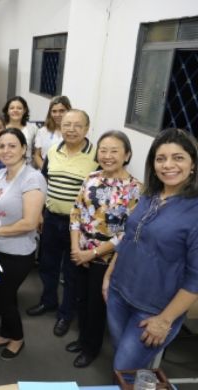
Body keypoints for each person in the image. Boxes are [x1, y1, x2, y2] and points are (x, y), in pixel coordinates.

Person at [104, 128, 198, 370]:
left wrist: (165, 320)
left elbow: (195, 278)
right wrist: (109, 275)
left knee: (123, 368)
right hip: (118, 292)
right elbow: (129, 239)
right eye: (160, 158)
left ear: (193, 164)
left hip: (154, 310)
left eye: (178, 158)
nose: (168, 165)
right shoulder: (150, 195)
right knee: (125, 363)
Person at [67, 130, 141, 368]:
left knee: (96, 306)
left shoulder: (135, 189)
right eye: (103, 150)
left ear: (127, 154)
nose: (107, 156)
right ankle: (82, 339)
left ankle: (91, 348)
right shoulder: (91, 177)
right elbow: (76, 211)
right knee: (81, 299)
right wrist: (76, 248)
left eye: (114, 151)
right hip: (81, 252)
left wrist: (93, 253)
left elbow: (127, 232)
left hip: (107, 258)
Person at [26, 109, 98, 338]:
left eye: (78, 125)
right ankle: (48, 301)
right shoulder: (54, 149)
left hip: (78, 226)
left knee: (71, 271)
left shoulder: (96, 155)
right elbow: (44, 180)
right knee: (47, 264)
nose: (71, 129)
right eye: (67, 125)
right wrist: (40, 213)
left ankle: (66, 314)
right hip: (51, 217)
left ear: (87, 129)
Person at [0, 128, 47, 360]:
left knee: (3, 299)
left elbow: (29, 222)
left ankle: (17, 338)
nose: (6, 150)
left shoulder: (32, 178)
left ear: (24, 149)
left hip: (18, 253)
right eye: (2, 146)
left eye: (12, 146)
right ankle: (6, 334)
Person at [34, 96, 71, 169]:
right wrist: (45, 171)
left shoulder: (74, 132)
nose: (57, 115)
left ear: (69, 111)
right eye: (54, 111)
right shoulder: (43, 131)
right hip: (45, 170)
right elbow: (37, 155)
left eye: (62, 111)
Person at [2, 96, 38, 166]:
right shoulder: (1, 128)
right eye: (12, 108)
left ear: (24, 111)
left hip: (27, 168)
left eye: (19, 108)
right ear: (7, 111)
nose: (15, 110)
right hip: (4, 166)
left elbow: (36, 153)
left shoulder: (33, 128)